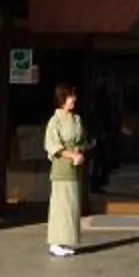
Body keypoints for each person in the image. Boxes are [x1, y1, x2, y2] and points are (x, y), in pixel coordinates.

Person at [43, 85, 87, 258]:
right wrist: (71, 155)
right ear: (62, 99)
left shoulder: (77, 119)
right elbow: (52, 145)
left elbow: (83, 139)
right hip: (62, 166)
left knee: (72, 206)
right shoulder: (55, 121)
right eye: (70, 96)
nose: (73, 99)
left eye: (74, 96)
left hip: (76, 166)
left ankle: (64, 241)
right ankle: (55, 242)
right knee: (61, 205)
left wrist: (80, 152)